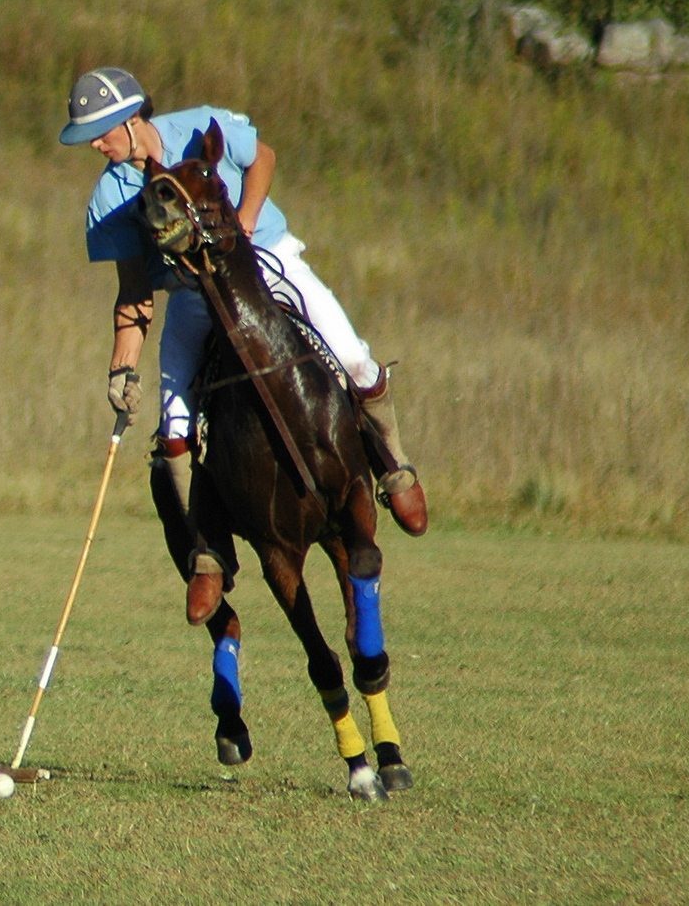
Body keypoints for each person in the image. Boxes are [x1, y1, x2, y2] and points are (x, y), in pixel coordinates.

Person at [58, 67, 429, 625]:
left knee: (354, 359)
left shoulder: (199, 126)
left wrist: (249, 218)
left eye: (101, 131)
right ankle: (205, 554)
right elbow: (135, 291)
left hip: (267, 261)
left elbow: (264, 157)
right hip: (193, 291)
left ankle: (395, 465)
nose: (95, 144)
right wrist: (121, 368)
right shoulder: (110, 195)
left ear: (133, 120)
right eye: (88, 135)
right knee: (175, 424)